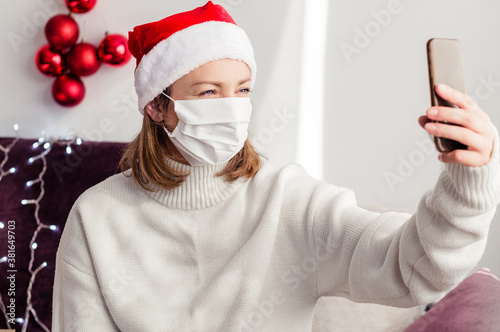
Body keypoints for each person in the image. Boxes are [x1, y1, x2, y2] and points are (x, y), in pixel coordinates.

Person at [51, 2, 500, 331]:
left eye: (241, 90)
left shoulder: (289, 201)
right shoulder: (97, 218)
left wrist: (469, 178)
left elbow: (413, 269)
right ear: (155, 106)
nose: (230, 108)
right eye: (208, 92)